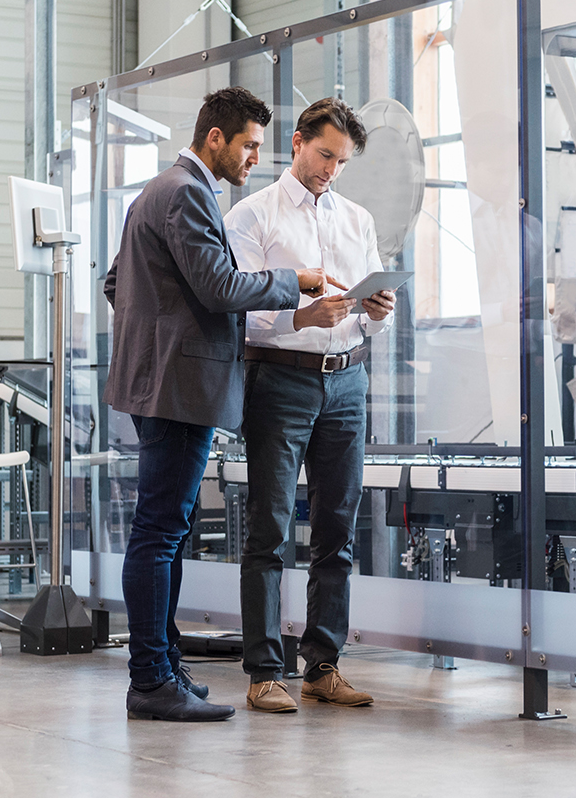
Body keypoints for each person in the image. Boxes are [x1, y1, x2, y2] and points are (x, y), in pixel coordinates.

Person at [103, 86, 337, 723]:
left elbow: (115, 282)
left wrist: (156, 328)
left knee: (168, 537)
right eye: (250, 145)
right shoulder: (187, 192)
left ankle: (165, 666)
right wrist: (299, 282)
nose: (254, 158)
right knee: (159, 535)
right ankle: (150, 680)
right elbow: (218, 286)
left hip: (163, 383)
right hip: (178, 390)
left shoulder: (159, 190)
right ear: (216, 139)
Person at [224, 97, 396, 713]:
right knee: (269, 529)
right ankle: (264, 672)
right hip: (281, 381)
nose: (331, 170)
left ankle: (323, 666)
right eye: (324, 155)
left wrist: (377, 313)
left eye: (341, 161)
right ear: (296, 143)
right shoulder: (252, 215)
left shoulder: (358, 219)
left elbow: (370, 307)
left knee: (337, 531)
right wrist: (301, 316)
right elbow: (238, 309)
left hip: (348, 382)